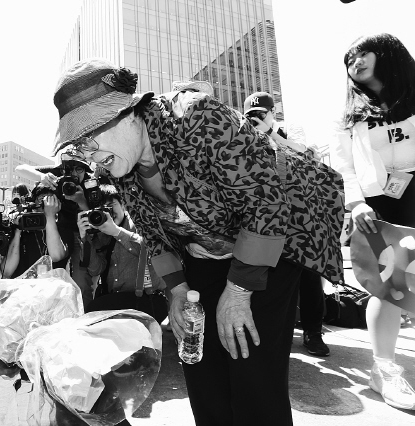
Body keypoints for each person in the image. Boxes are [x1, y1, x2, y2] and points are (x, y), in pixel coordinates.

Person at [52, 58, 342, 425]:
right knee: (200, 364)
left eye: (90, 139)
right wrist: (177, 291)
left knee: (252, 371)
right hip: (205, 258)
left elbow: (266, 200)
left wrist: (238, 293)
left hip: (269, 246)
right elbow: (155, 238)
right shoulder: (121, 171)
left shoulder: (197, 117)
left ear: (127, 113)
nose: (89, 156)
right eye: (80, 147)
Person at [330, 33, 415, 410]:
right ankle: (384, 369)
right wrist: (356, 203)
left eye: (364, 53)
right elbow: (344, 164)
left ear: (389, 55)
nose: (356, 62)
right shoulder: (348, 115)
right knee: (391, 287)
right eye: (350, 59)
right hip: (378, 206)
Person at [244, 91, 330, 357]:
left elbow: (305, 154)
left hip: (300, 215)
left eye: (262, 113)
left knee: (309, 274)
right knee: (270, 274)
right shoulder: (244, 134)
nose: (257, 118)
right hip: (266, 214)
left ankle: (313, 331)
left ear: (273, 112)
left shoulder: (289, 131)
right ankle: (276, 330)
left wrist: (271, 133)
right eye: (252, 115)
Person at [78, 184, 168, 323]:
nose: (108, 213)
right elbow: (95, 269)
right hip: (115, 301)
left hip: (148, 299)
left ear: (123, 204)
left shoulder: (141, 223)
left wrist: (116, 232)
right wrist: (85, 239)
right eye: (102, 209)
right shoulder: (99, 233)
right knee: (92, 313)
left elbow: (150, 250)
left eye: (111, 205)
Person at [16, 158, 100, 307]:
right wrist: (41, 177)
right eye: (69, 168)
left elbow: (95, 220)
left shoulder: (90, 183)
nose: (73, 174)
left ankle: (84, 315)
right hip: (58, 229)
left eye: (79, 169)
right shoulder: (55, 174)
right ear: (62, 168)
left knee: (81, 282)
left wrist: (81, 201)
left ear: (85, 170)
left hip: (82, 233)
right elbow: (19, 168)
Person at [3, 184, 73, 279]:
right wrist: (18, 229)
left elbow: (56, 256)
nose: (46, 205)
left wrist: (50, 216)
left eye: (50, 200)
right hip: (24, 289)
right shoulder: (23, 229)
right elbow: (7, 271)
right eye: (41, 200)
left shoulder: (64, 228)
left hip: (53, 289)